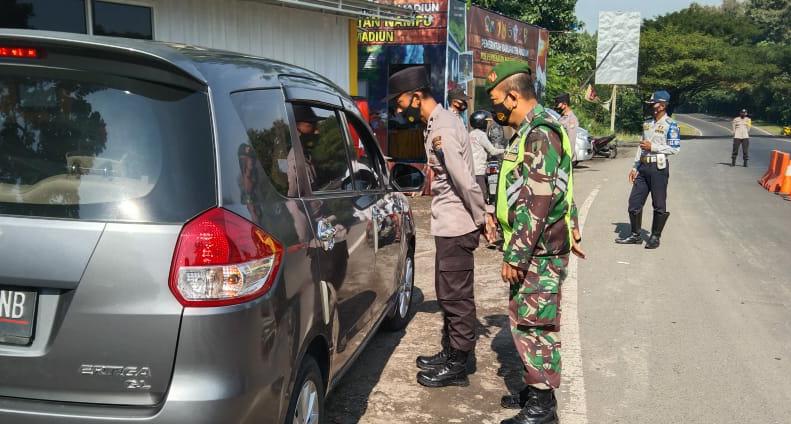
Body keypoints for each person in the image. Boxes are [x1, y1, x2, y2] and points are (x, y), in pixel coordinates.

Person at [482, 61, 584, 424]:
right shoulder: (529, 130)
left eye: (496, 99)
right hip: (537, 248)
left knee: (535, 325)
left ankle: (542, 408)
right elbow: (556, 187)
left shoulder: (539, 132)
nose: (493, 107)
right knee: (525, 320)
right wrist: (572, 224)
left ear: (513, 96)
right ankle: (533, 388)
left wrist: (516, 255)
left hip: (537, 252)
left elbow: (538, 202)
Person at [386, 66, 486, 388]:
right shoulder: (435, 124)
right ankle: (450, 351)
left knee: (456, 297)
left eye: (400, 101)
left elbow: (463, 180)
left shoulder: (442, 127)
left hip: (457, 224)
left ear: (416, 96)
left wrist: (483, 218)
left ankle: (458, 366)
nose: (398, 109)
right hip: (449, 224)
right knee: (447, 293)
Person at [615, 90, 680, 249]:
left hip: (658, 168)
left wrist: (654, 146)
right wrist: (635, 166)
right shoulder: (647, 123)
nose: (652, 105)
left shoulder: (671, 125)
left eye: (655, 103)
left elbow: (675, 148)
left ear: (663, 105)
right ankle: (635, 235)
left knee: (659, 204)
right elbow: (641, 146)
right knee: (634, 202)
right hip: (643, 167)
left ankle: (655, 237)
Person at [469, 110, 505, 203]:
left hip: (470, 169)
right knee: (482, 196)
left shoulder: (470, 134)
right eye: (486, 121)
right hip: (479, 170)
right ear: (482, 122)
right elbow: (492, 151)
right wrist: (506, 150)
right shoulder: (481, 135)